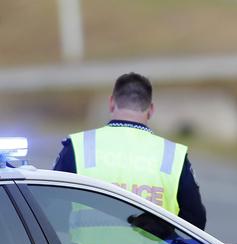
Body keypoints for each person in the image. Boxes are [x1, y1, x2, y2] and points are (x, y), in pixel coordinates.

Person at [53, 72, 206, 230]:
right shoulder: (172, 155)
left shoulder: (80, 146)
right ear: (151, 109)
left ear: (111, 103)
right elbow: (195, 221)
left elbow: (51, 205)